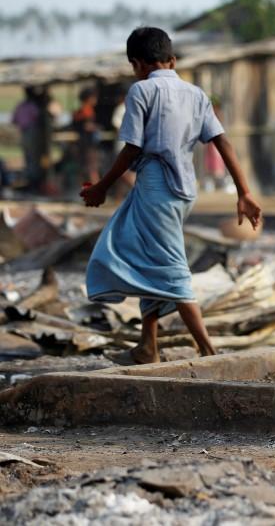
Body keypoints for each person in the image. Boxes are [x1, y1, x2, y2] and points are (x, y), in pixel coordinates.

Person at [81, 27, 262, 364]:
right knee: (146, 254)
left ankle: (208, 351)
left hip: (156, 188)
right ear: (172, 60)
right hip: (184, 190)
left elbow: (132, 147)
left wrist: (102, 186)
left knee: (171, 268)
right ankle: (148, 345)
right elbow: (222, 141)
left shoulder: (141, 91)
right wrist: (244, 192)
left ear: (137, 64)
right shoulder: (196, 94)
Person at [12, 86, 42, 191]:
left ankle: (30, 182)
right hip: (31, 132)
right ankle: (33, 184)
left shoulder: (20, 106)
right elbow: (39, 118)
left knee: (28, 158)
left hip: (24, 133)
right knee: (33, 159)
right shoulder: (32, 106)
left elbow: (14, 120)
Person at [72, 86, 101, 185]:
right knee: (92, 169)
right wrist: (96, 128)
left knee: (84, 168)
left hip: (83, 143)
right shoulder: (87, 110)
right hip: (88, 144)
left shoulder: (80, 110)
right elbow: (87, 126)